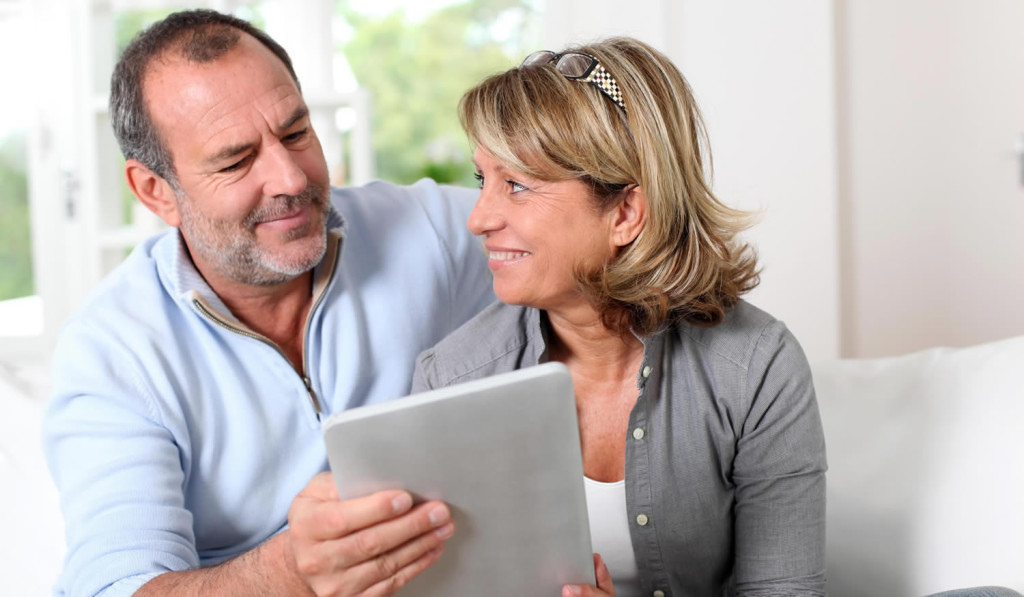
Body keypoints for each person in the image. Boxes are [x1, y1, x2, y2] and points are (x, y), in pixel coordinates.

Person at [41, 9, 494, 597]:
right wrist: (290, 571)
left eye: (296, 133)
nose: (289, 178)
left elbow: (587, 238)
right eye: (235, 161)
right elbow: (115, 586)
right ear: (156, 192)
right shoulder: (113, 352)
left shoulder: (429, 232)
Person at [412, 37, 828, 596]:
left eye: (517, 184)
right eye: (482, 180)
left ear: (626, 213)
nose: (479, 218)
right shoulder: (451, 381)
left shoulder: (754, 364)